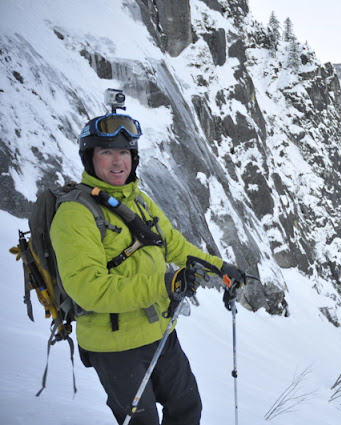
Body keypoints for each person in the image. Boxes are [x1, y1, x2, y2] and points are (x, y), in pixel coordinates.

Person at [50, 112, 244, 424]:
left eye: (124, 152)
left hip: (159, 331)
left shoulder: (138, 201)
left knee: (187, 408)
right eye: (107, 152)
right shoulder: (76, 213)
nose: (118, 162)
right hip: (114, 345)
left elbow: (175, 246)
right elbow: (89, 289)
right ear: (90, 158)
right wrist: (165, 284)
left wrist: (222, 268)